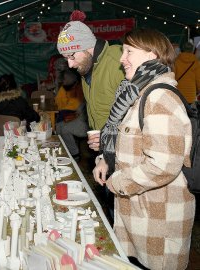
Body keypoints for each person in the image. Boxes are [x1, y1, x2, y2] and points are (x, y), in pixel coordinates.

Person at [93, 28, 195, 270]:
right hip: (140, 214)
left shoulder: (159, 97)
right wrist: (106, 159)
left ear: (151, 56)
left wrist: (117, 182)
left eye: (129, 51)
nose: (121, 58)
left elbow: (163, 165)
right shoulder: (137, 93)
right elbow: (129, 140)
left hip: (158, 218)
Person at [57, 20, 125, 151]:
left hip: (125, 152)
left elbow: (141, 114)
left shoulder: (118, 61)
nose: (70, 65)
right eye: (66, 59)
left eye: (71, 56)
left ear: (86, 46)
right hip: (107, 149)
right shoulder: (87, 67)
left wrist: (110, 139)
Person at [55, 68, 88, 161]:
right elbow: (59, 102)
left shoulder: (80, 88)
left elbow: (80, 107)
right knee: (58, 126)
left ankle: (75, 153)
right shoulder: (65, 88)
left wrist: (74, 114)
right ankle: (65, 150)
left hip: (84, 120)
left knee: (64, 128)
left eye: (65, 79)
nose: (64, 82)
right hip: (78, 115)